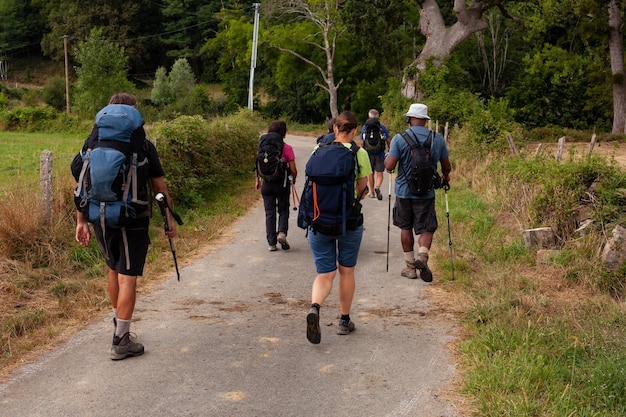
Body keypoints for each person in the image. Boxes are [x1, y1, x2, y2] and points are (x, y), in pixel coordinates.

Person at [73, 92, 177, 360]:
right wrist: (169, 220)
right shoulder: (142, 145)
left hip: (99, 214)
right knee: (127, 276)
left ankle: (119, 323)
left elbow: (80, 178)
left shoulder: (93, 141)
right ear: (133, 115)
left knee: (113, 269)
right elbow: (160, 189)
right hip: (133, 217)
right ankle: (121, 340)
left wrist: (81, 220)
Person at [306, 110, 372, 344]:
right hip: (348, 223)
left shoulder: (317, 150)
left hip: (319, 221)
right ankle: (344, 320)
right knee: (346, 270)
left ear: (335, 128)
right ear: (355, 130)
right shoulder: (359, 153)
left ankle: (315, 307)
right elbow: (362, 190)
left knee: (324, 274)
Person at [384, 103, 451, 282]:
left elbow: (390, 166)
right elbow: (446, 165)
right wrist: (446, 177)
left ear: (410, 119)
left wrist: (386, 160)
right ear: (425, 119)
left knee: (405, 227)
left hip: (404, 192)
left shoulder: (399, 138)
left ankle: (410, 268)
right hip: (426, 192)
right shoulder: (437, 139)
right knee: (427, 227)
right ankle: (422, 256)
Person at [255, 120, 297, 251]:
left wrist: (257, 180)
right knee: (283, 209)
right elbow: (294, 169)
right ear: (283, 132)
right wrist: (293, 180)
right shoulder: (287, 148)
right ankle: (282, 233)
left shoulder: (262, 146)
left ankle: (271, 243)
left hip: (266, 184)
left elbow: (257, 164)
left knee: (269, 212)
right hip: (282, 184)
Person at [360, 109, 390, 200]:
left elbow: (362, 142)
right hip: (380, 153)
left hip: (368, 153)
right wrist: (390, 150)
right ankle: (377, 187)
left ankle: (372, 192)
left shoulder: (364, 128)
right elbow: (388, 140)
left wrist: (361, 152)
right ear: (378, 117)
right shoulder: (382, 128)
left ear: (368, 117)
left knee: (371, 173)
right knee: (380, 174)